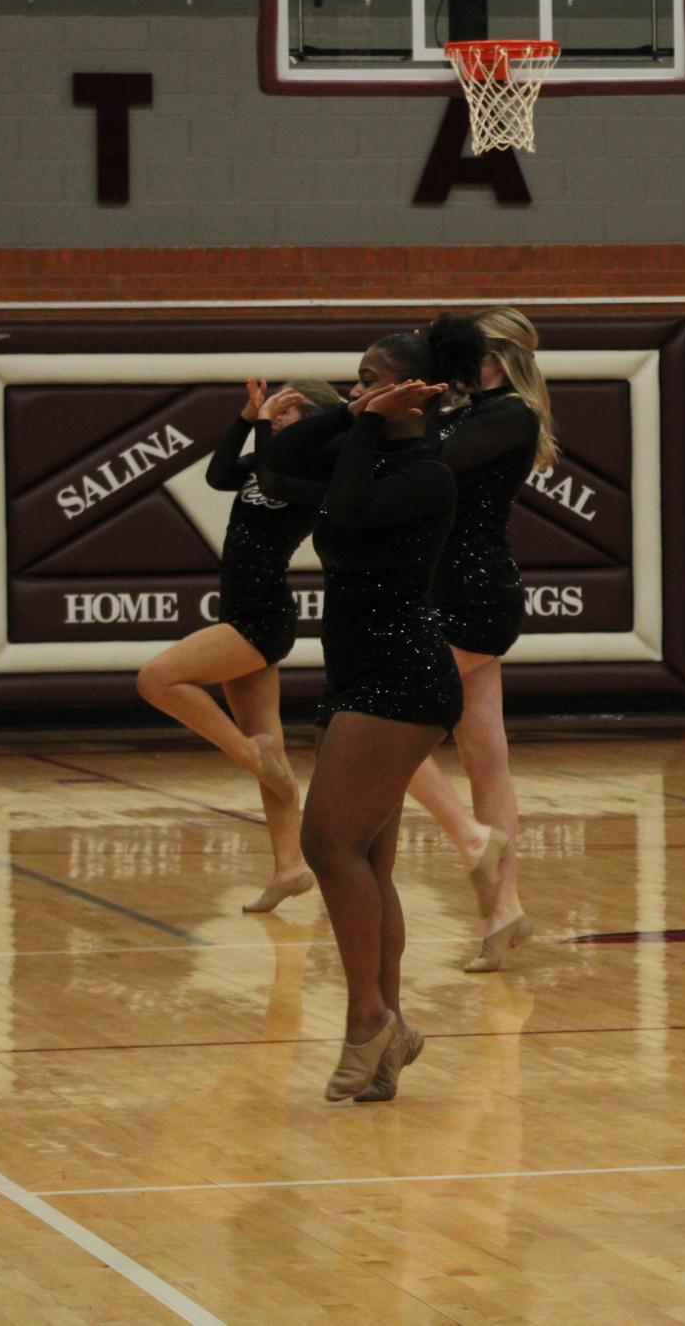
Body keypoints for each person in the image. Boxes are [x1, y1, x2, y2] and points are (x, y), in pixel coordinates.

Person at [262, 317, 483, 1102]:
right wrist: (349, 413)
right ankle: (389, 1028)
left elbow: (351, 510)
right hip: (358, 673)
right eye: (356, 379)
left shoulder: (429, 472)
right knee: (369, 863)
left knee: (328, 847)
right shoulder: (362, 440)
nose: (357, 390)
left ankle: (366, 1021)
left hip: (403, 676)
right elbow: (273, 459)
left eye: (369, 379)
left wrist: (366, 425)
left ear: (412, 394)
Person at [137, 378, 341, 913]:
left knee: (156, 679)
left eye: (289, 410)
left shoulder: (311, 471)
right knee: (265, 740)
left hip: (261, 617)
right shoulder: (264, 460)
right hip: (241, 611)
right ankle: (289, 867)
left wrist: (267, 431)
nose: (278, 415)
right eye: (278, 407)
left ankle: (252, 755)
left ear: (317, 421)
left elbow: (273, 472)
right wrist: (247, 417)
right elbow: (218, 473)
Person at [403, 307, 554, 972]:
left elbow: (432, 459)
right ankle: (504, 911)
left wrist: (420, 404)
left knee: (377, 714)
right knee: (482, 752)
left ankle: (470, 840)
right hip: (444, 588)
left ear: (502, 357)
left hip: (475, 594)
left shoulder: (511, 415)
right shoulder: (469, 407)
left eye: (473, 352)